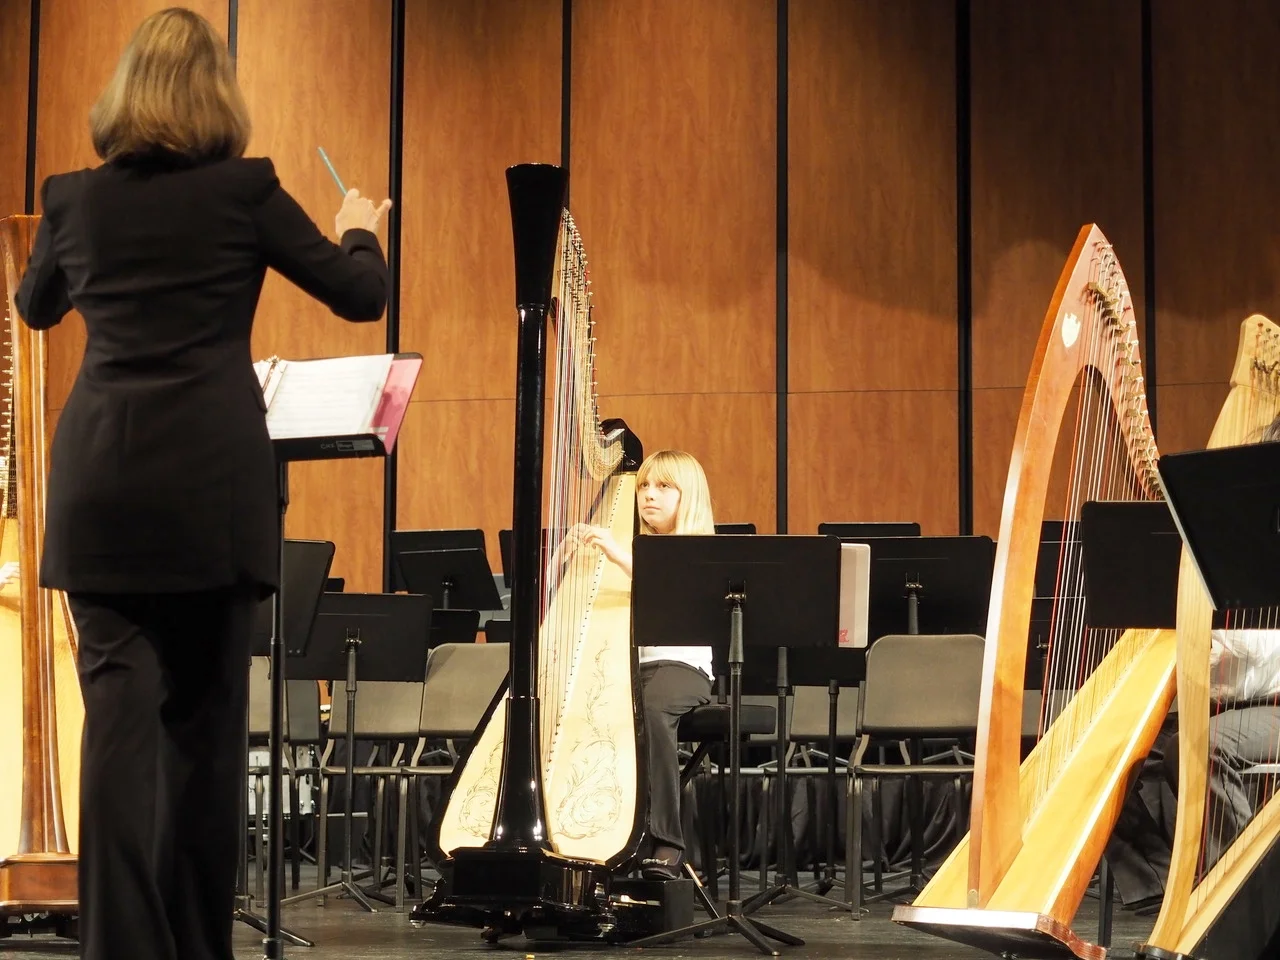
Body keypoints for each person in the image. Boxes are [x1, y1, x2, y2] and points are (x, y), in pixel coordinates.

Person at [15, 8, 391, 960]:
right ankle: (195, 946)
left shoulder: (73, 199)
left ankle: (119, 949)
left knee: (116, 734)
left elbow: (32, 304)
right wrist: (359, 231)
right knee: (206, 736)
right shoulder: (245, 191)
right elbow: (358, 295)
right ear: (216, 100)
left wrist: (75, 233)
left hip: (102, 489)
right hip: (213, 495)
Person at [1106, 414, 1280, 908]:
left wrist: (1210, 647)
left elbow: (1265, 657)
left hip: (1270, 704)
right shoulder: (1233, 548)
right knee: (1117, 758)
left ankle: (1249, 893)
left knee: (1200, 747)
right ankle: (1156, 882)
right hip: (1231, 702)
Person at [572, 449, 716, 881]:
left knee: (650, 709)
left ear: (687, 495)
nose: (649, 495)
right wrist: (569, 558)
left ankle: (666, 843)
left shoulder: (698, 550)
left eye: (663, 486)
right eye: (643, 487)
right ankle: (592, 840)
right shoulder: (626, 547)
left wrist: (616, 553)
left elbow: (671, 588)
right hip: (628, 668)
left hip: (680, 670)